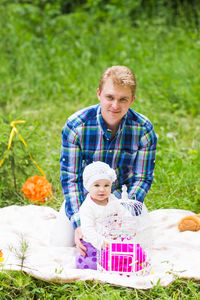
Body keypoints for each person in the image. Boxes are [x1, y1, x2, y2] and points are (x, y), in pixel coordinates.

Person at [52, 65, 157, 255]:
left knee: (140, 249)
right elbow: (70, 179)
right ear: (99, 94)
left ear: (132, 100)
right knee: (63, 245)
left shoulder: (144, 130)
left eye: (123, 99)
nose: (115, 105)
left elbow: (142, 178)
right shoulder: (76, 126)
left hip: (122, 200)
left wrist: (123, 218)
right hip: (87, 199)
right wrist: (79, 223)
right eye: (110, 97)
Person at [76, 161, 126, 270]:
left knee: (125, 252)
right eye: (97, 185)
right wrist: (101, 242)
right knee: (91, 262)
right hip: (95, 242)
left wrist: (128, 223)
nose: (102, 189)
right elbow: (88, 229)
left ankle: (118, 262)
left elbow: (123, 211)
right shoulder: (87, 207)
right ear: (88, 187)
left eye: (106, 185)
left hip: (112, 237)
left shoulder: (112, 199)